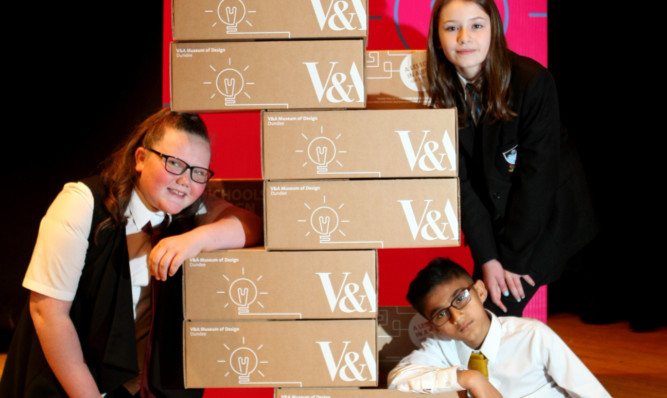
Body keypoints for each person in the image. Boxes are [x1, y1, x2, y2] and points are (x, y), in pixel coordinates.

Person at [0, 108, 262, 397]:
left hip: (142, 388)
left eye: (198, 172)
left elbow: (251, 225)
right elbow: (47, 313)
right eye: (174, 163)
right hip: (71, 383)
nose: (186, 181)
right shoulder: (83, 203)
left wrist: (196, 240)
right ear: (140, 159)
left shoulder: (190, 211)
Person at [423, 0, 598, 316]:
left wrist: (512, 263)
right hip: (494, 218)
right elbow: (461, 184)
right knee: (478, 311)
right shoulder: (436, 92)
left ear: (494, 31)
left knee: (492, 311)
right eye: (452, 27)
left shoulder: (532, 82)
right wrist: (489, 259)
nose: (465, 37)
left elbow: (538, 179)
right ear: (437, 38)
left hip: (543, 217)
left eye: (477, 25)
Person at [387, 257, 610, 397]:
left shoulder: (532, 336)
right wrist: (469, 378)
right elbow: (397, 383)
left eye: (461, 298)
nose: (456, 316)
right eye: (441, 314)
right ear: (433, 325)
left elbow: (590, 391)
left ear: (481, 291)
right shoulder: (441, 347)